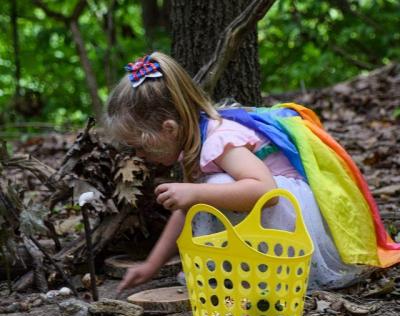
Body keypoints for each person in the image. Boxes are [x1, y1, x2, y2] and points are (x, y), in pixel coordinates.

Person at [105, 52, 400, 295]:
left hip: (291, 211)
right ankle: (237, 269)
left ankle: (250, 272)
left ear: (169, 129)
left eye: (139, 146)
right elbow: (186, 210)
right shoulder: (195, 142)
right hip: (274, 211)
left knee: (218, 186)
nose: (139, 156)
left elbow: (266, 193)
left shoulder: (219, 140)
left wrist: (195, 192)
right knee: (210, 191)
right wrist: (151, 266)